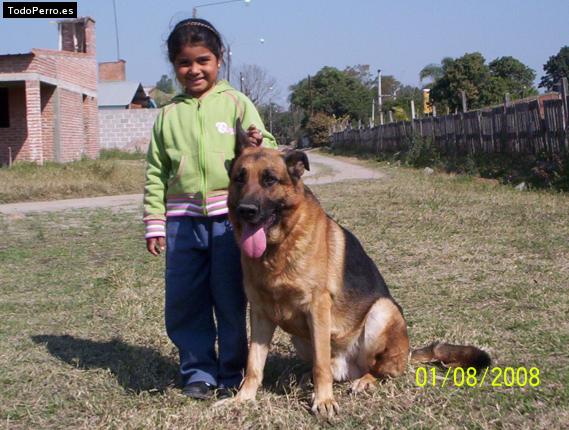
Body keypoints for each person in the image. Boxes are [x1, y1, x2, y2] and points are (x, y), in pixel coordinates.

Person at [143, 17, 277, 400]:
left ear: (219, 60)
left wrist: (256, 138)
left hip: (230, 222)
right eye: (185, 62)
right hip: (182, 225)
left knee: (231, 297)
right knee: (186, 299)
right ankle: (198, 370)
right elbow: (156, 172)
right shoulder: (168, 116)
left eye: (203, 60)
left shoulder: (236, 102)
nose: (194, 69)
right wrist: (155, 222)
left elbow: (264, 149)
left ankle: (232, 371)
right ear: (174, 66)